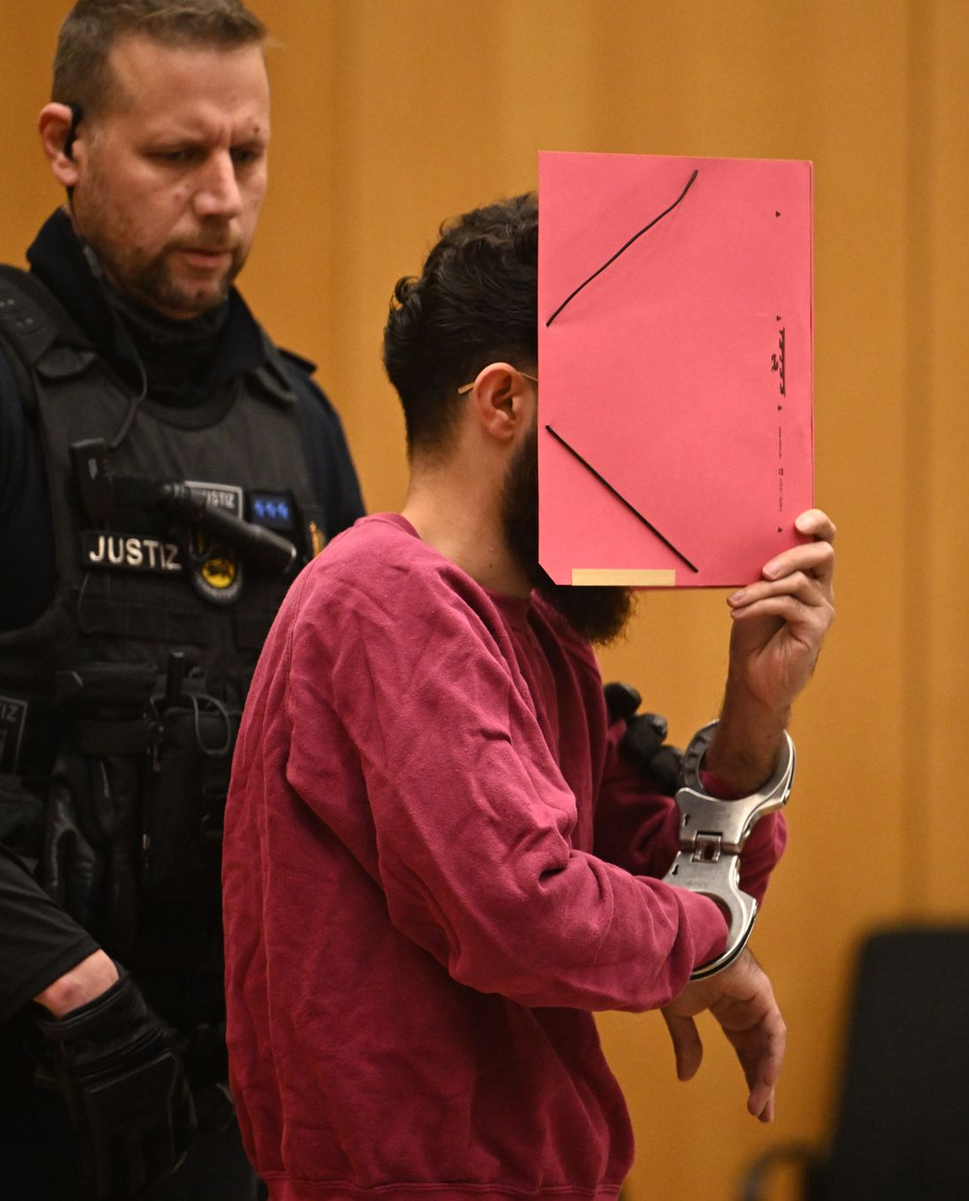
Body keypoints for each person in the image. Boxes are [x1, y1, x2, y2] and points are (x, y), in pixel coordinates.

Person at [222, 193, 837, 1200]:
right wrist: (703, 956)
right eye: (626, 401)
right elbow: (523, 905)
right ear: (503, 402)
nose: (657, 445)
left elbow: (678, 883)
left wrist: (755, 715)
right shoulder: (384, 598)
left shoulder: (532, 629)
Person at [0, 2, 365, 1197]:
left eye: (246, 154)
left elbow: (382, 733)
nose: (221, 198)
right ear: (66, 144)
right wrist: (72, 984)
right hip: (34, 1056)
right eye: (176, 155)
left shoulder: (299, 427)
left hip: (223, 1104)